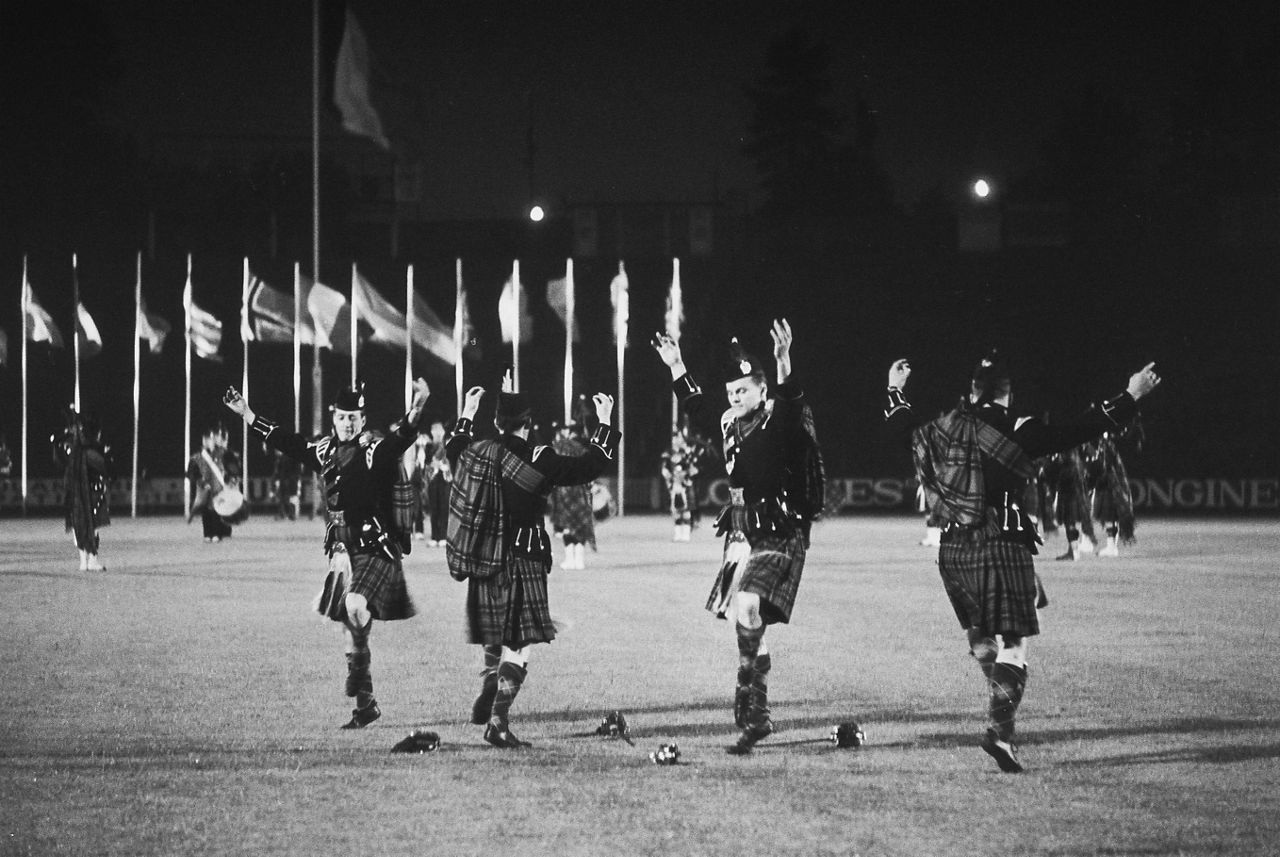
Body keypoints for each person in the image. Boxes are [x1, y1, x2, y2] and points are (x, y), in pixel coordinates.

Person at [883, 353, 1161, 772]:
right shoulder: (1018, 427)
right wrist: (1131, 395)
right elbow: (1081, 429)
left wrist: (894, 389)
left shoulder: (943, 428)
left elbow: (900, 427)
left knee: (980, 637)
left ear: (971, 392)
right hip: (1002, 544)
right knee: (1014, 642)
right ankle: (1000, 732)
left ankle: (998, 704)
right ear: (1007, 394)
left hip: (953, 548)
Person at [653, 319, 825, 755]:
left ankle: (749, 693)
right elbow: (695, 404)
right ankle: (756, 708)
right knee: (747, 618)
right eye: (732, 392)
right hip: (743, 531)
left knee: (747, 605)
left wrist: (784, 361)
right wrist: (676, 364)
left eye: (744, 390)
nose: (736, 397)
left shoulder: (780, 418)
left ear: (761, 390)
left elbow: (790, 400)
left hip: (782, 531)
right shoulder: (730, 419)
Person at [223, 379, 429, 729]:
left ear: (363, 420)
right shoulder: (323, 451)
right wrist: (247, 414)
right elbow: (287, 441)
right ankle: (366, 707)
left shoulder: (372, 451)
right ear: (334, 418)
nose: (348, 423)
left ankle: (359, 672)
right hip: (341, 550)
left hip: (376, 547)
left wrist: (418, 407)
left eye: (355, 417)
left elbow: (401, 439)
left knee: (354, 607)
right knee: (350, 630)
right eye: (343, 417)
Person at [445, 371, 619, 749]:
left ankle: (491, 676)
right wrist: (605, 423)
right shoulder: (540, 458)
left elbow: (454, 446)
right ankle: (498, 722)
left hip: (485, 557)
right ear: (529, 424)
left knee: (495, 629)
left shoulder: (478, 453)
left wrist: (466, 411)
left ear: (494, 422)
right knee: (520, 644)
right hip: (524, 559)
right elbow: (589, 466)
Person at [53, 409, 110, 571]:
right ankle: (91, 560)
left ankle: (83, 562)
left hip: (74, 492)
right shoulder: (92, 451)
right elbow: (106, 469)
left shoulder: (66, 448)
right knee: (93, 526)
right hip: (92, 492)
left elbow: (59, 463)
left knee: (78, 526)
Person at [547, 420, 597, 568]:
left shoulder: (560, 447)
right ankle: (579, 560)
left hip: (564, 491)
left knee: (566, 526)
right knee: (580, 525)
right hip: (580, 491)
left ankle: (570, 560)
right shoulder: (583, 450)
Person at [186, 424, 245, 542]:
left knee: (219, 509)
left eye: (211, 439)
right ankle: (208, 533)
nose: (209, 441)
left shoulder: (225, 454)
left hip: (220, 487)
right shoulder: (198, 456)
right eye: (207, 439)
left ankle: (219, 533)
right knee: (206, 510)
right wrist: (201, 482)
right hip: (205, 487)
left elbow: (233, 469)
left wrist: (233, 478)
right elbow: (192, 472)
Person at [1088, 429, 1137, 557]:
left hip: (1109, 484)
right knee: (1111, 517)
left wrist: (1096, 480)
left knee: (1109, 516)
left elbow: (1104, 468)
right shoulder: (1108, 446)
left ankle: (1111, 548)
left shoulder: (1105, 448)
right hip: (1113, 483)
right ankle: (1111, 547)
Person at [661, 429, 701, 542]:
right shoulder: (668, 453)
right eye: (674, 438)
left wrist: (687, 474)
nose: (676, 440)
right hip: (674, 485)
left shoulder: (688, 453)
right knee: (676, 510)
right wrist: (669, 478)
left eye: (678, 437)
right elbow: (664, 469)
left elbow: (694, 468)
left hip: (686, 484)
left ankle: (686, 534)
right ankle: (678, 534)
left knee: (686, 509)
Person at [418, 421, 452, 546]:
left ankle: (443, 536)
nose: (437, 433)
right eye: (434, 431)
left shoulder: (447, 445)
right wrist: (433, 465)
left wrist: (443, 465)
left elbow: (450, 462)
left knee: (444, 507)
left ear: (443, 432)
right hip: (433, 479)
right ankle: (434, 535)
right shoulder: (429, 447)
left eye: (439, 431)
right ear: (432, 432)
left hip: (444, 479)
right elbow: (425, 463)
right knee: (434, 507)